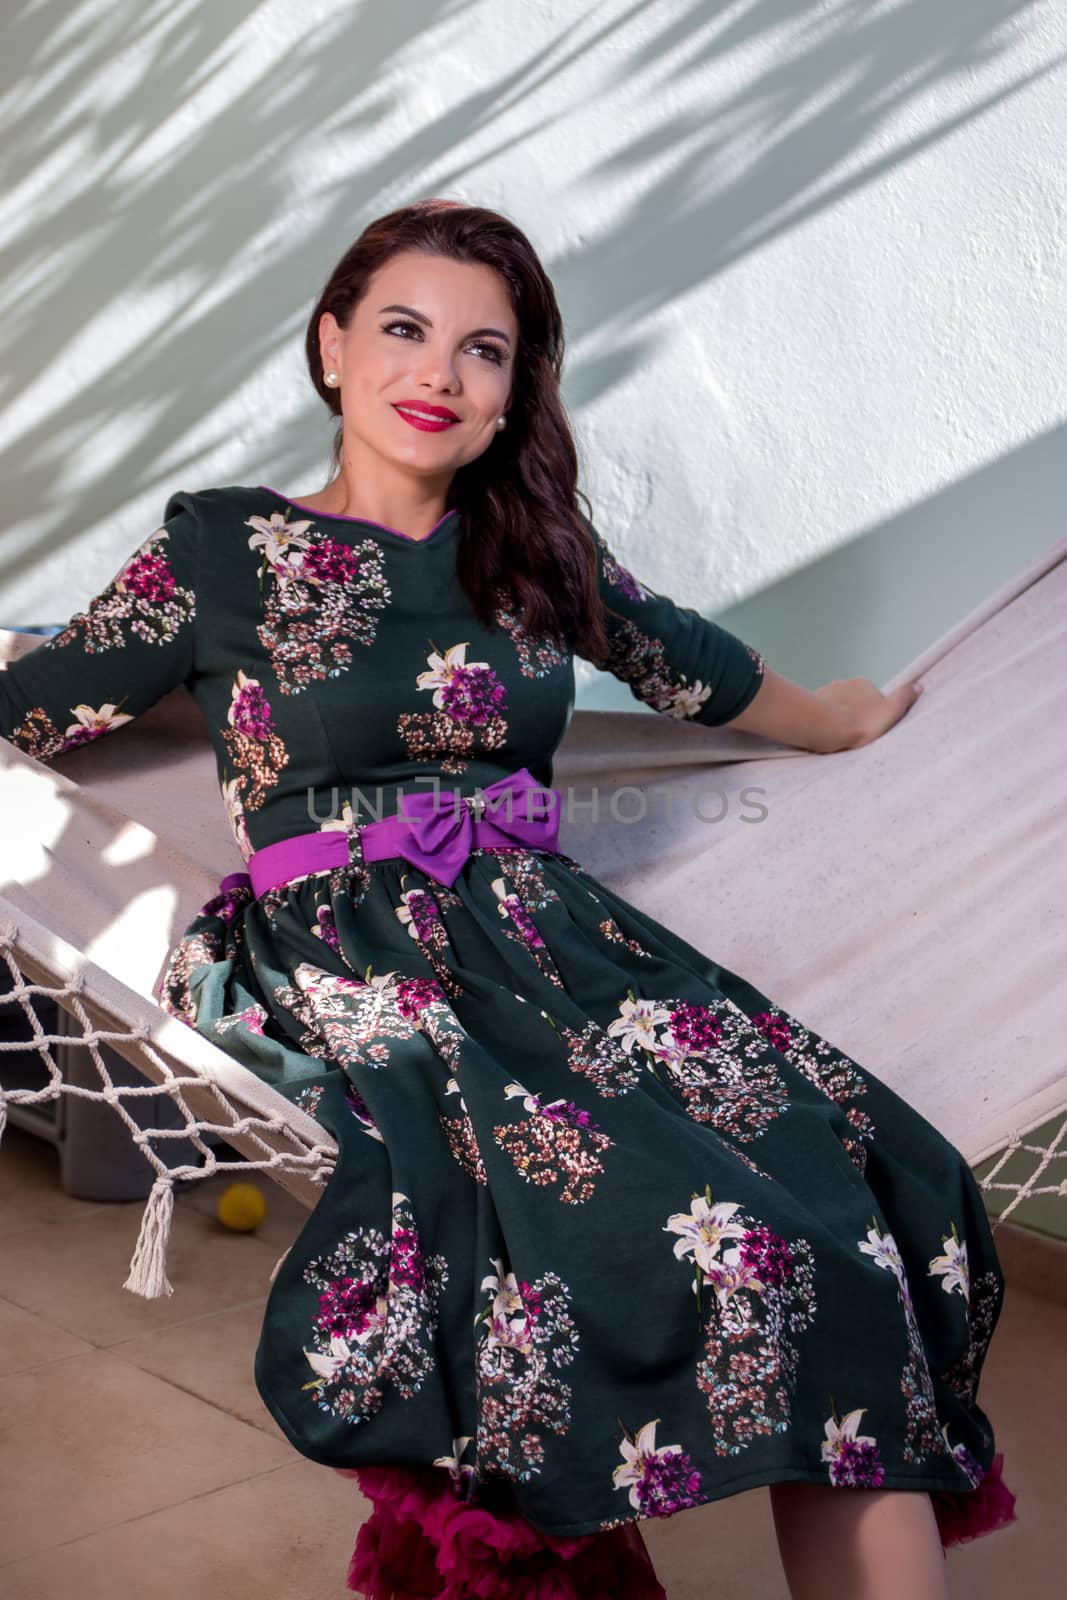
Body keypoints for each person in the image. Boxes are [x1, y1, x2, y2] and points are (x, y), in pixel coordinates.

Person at [0, 199, 1016, 1600]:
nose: (440, 372)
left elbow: (702, 671)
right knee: (592, 1228)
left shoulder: (531, 552)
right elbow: (41, 706)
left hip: (560, 944)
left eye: (486, 351)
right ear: (333, 345)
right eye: (407, 330)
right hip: (348, 951)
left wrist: (836, 718)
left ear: (511, 393)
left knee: (853, 1205)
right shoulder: (223, 549)